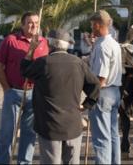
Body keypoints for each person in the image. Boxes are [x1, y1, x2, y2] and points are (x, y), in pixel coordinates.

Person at [20, 29, 100, 164]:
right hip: (72, 124)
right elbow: (95, 85)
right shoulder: (78, 63)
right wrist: (87, 104)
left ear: (49, 45)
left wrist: (31, 50)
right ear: (67, 45)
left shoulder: (43, 63)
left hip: (49, 126)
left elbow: (24, 70)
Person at [0, 11, 49, 164]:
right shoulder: (11, 40)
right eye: (30, 22)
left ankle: (24, 162)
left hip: (34, 94)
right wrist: (6, 88)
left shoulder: (44, 43)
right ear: (23, 25)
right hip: (14, 92)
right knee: (7, 134)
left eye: (37, 23)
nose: (34, 25)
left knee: (29, 134)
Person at [88, 10, 123, 164]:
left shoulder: (102, 46)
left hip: (102, 92)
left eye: (92, 24)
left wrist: (90, 98)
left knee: (101, 138)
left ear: (97, 24)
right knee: (112, 134)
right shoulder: (113, 43)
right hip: (115, 91)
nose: (91, 27)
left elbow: (101, 77)